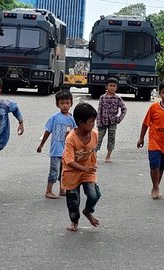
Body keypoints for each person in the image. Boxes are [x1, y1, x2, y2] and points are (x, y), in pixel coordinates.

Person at [62, 102, 100, 232]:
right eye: (91, 121)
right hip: (71, 172)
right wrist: (84, 169)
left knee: (94, 195)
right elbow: (69, 161)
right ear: (81, 123)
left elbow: (93, 150)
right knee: (73, 200)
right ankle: (74, 221)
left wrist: (91, 165)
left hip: (88, 169)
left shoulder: (94, 134)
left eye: (94, 120)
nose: (93, 124)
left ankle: (88, 211)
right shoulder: (71, 139)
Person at [37, 90, 77, 199]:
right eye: (62, 103)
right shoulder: (54, 117)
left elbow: (76, 133)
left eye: (67, 103)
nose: (65, 106)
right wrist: (41, 145)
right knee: (54, 171)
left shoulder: (72, 119)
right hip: (55, 151)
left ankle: (62, 189)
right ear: (57, 104)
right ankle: (48, 190)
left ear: (71, 103)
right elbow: (47, 131)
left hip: (67, 151)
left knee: (64, 171)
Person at [95, 77, 127, 162]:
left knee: (111, 138)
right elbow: (99, 110)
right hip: (102, 121)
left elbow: (124, 109)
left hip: (113, 122)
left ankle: (108, 156)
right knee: (99, 138)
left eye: (114, 86)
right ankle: (94, 154)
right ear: (106, 86)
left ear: (116, 87)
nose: (112, 87)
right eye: (110, 85)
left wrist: (119, 119)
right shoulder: (102, 98)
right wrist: (98, 122)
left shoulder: (118, 98)